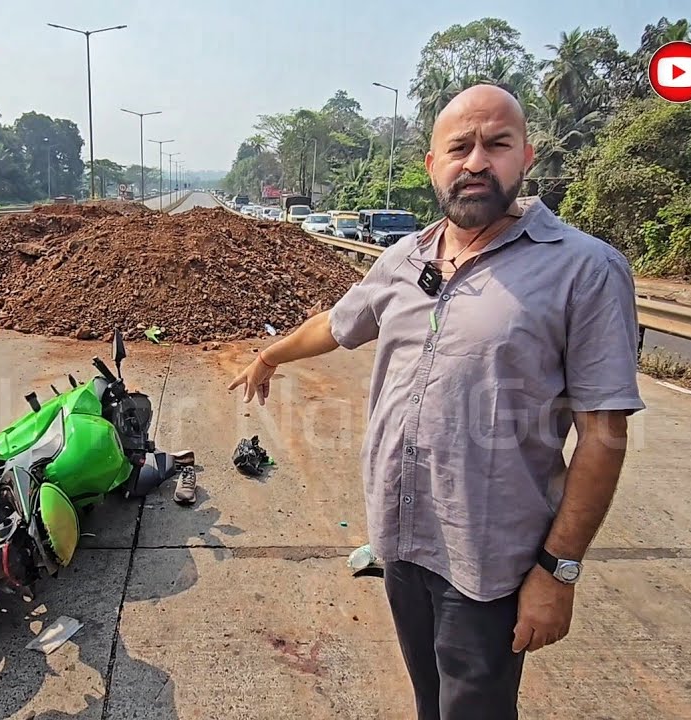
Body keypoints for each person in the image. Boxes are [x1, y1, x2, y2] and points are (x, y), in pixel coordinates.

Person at [227, 84, 645, 719]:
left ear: (525, 156)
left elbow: (603, 435)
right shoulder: (405, 258)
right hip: (400, 542)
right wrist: (270, 355)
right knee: (430, 703)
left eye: (497, 144)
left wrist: (558, 573)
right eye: (460, 146)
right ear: (431, 164)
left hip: (490, 564)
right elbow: (338, 323)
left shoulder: (583, 269)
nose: (476, 161)